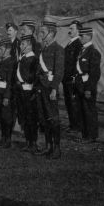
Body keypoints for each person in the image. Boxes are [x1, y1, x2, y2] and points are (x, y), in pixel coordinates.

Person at [36, 21, 65, 158]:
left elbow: (59, 72)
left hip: (50, 88)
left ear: (51, 33)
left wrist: (54, 89)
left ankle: (57, 148)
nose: (40, 35)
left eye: (43, 32)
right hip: (41, 88)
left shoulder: (58, 49)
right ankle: (48, 146)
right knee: (44, 118)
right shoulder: (44, 49)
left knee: (53, 118)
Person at [75, 26, 101, 143]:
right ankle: (85, 134)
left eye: (82, 35)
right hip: (80, 84)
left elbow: (95, 73)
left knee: (89, 111)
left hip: (87, 86)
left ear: (89, 36)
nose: (80, 37)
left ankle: (91, 135)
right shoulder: (82, 50)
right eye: (80, 35)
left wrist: (89, 89)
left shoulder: (93, 52)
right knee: (82, 110)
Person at [15, 34, 39, 151]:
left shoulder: (33, 59)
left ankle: (33, 142)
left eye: (23, 44)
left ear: (29, 46)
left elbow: (34, 76)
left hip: (29, 91)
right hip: (21, 91)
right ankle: (28, 141)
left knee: (31, 118)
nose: (20, 46)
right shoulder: (23, 58)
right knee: (23, 116)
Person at [0, 38, 16, 148]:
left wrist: (7, 97)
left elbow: (10, 81)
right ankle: (3, 138)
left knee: (7, 117)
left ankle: (7, 140)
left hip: (6, 95)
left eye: (1, 49)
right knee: (1, 116)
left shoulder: (11, 62)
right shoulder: (1, 61)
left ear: (8, 50)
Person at [63, 21, 83, 132]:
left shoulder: (78, 44)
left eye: (72, 28)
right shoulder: (70, 43)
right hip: (66, 78)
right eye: (69, 28)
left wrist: (73, 77)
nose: (69, 30)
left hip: (72, 78)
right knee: (69, 102)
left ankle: (76, 126)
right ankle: (72, 124)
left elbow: (77, 63)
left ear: (78, 31)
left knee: (73, 103)